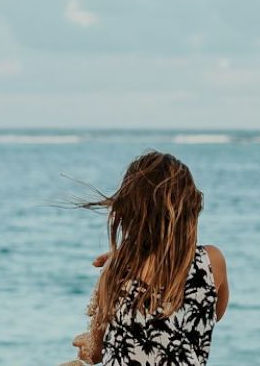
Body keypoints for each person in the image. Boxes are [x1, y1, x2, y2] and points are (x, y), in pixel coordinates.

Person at [72, 151, 230, 366]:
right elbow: (213, 315)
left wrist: (86, 347)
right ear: (190, 209)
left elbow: (98, 351)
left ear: (128, 212)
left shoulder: (116, 270)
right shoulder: (212, 262)